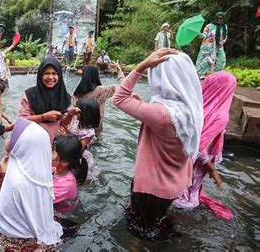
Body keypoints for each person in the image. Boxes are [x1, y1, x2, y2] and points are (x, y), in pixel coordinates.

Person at [113, 49, 203, 242]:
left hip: (152, 187)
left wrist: (142, 65)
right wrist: (144, 105)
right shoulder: (190, 108)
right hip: (175, 183)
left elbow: (118, 98)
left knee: (140, 230)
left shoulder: (161, 114)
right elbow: (167, 127)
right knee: (156, 219)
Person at [0, 118, 63, 250]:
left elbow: (0, 212)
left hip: (17, 243)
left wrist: (3, 176)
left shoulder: (16, 177)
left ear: (22, 143)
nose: (7, 139)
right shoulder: (41, 170)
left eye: (12, 136)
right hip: (39, 237)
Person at [173, 71, 236, 220]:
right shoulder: (221, 115)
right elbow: (199, 147)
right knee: (187, 197)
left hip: (182, 157)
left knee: (181, 185)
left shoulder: (194, 107)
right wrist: (213, 170)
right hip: (199, 161)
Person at [18, 56, 75, 143]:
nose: (50, 77)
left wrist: (70, 115)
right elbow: (21, 120)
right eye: (46, 73)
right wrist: (43, 117)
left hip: (55, 142)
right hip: (34, 140)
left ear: (59, 75)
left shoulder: (65, 96)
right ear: (40, 75)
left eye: (54, 73)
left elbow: (64, 123)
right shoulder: (30, 95)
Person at [73, 65, 125, 135]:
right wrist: (119, 71)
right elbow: (124, 87)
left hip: (78, 129)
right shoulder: (101, 90)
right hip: (95, 130)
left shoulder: (76, 93)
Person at [60, 98, 101, 180]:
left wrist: (67, 134)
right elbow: (64, 123)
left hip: (77, 156)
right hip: (67, 149)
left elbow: (79, 147)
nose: (75, 112)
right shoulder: (75, 120)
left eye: (78, 111)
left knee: (74, 176)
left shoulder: (89, 133)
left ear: (86, 115)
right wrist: (70, 115)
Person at [52, 134, 88, 204]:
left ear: (64, 162)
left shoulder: (65, 186)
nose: (49, 152)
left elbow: (40, 200)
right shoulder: (54, 168)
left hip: (60, 213)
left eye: (53, 151)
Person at [196, 11, 228, 76]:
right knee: (205, 60)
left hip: (218, 46)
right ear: (215, 18)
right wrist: (199, 34)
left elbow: (225, 35)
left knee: (221, 59)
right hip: (207, 46)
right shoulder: (209, 26)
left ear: (223, 19)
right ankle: (202, 74)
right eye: (217, 18)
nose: (219, 20)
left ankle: (216, 73)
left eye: (220, 18)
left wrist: (222, 41)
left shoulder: (224, 26)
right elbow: (204, 34)